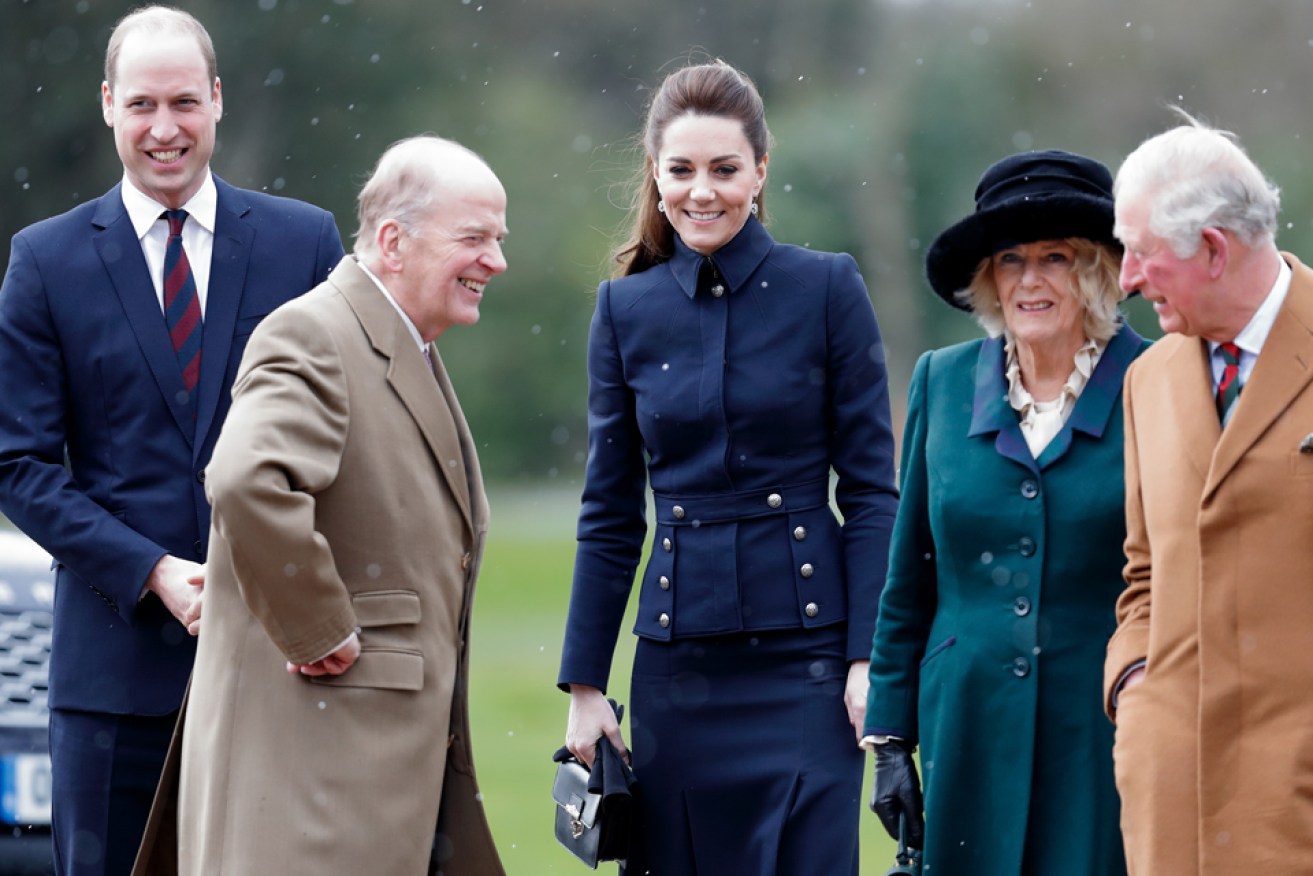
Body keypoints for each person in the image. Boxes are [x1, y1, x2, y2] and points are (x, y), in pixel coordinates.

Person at [0, 6, 343, 874]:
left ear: (218, 101)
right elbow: (18, 465)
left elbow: (345, 443)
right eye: (144, 105)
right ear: (108, 104)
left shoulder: (304, 244)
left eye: (185, 103)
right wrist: (152, 571)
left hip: (279, 672)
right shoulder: (45, 262)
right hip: (111, 686)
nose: (165, 129)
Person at [557, 60, 899, 875]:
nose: (700, 192)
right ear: (656, 173)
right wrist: (584, 688)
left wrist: (865, 662)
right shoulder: (623, 311)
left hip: (811, 669)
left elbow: (872, 495)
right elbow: (609, 511)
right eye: (680, 171)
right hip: (681, 668)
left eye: (722, 169)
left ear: (759, 172)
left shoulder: (826, 289)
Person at [130, 136, 507, 875]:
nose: (495, 260)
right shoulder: (314, 332)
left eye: (497, 239)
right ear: (393, 242)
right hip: (315, 781)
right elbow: (244, 479)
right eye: (474, 238)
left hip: (368, 775)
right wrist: (314, 626)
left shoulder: (402, 345)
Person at [865, 150, 1147, 875]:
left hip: (1102, 723)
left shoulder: (1156, 382)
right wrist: (890, 738)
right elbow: (910, 574)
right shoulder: (943, 379)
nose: (1028, 279)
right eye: (1009, 258)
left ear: (1096, 269)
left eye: (1054, 256)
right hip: (966, 725)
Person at [1106, 112, 1313, 873]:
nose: (1123, 279)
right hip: (1172, 799)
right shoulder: (1147, 379)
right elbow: (1141, 576)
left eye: (1138, 253)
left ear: (1214, 250)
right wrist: (1134, 692)